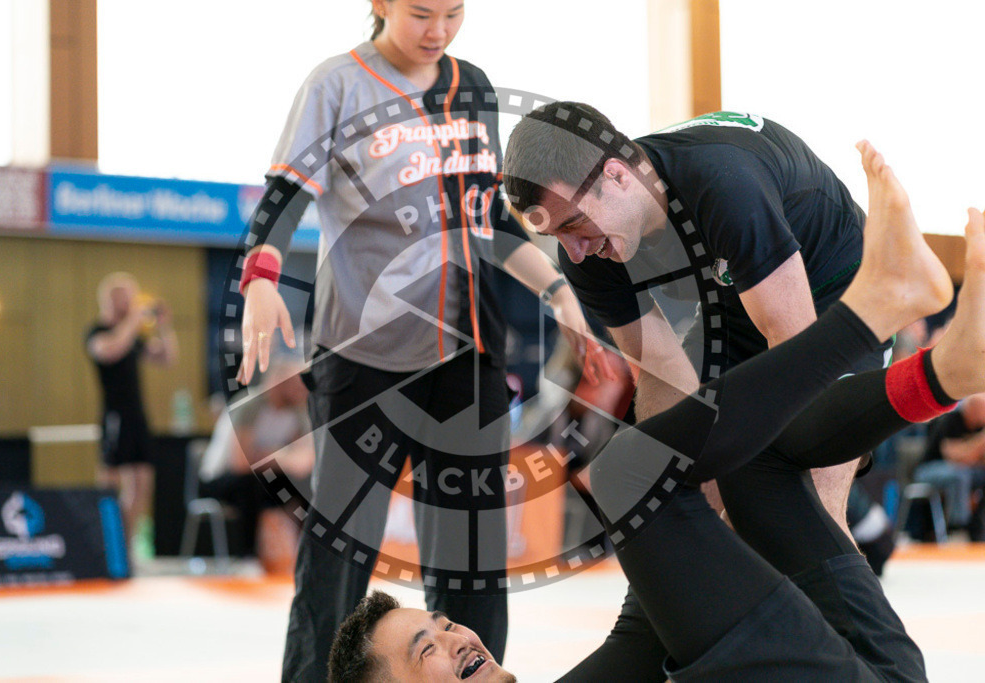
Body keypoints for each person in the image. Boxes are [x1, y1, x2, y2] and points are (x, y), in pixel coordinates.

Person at [327, 142, 984, 682]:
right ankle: (878, 316)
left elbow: (645, 623)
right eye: (427, 648)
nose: (456, 633)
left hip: (874, 664)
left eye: (441, 623)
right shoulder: (628, 237)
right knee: (626, 473)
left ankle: (945, 368)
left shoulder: (709, 188)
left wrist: (687, 511)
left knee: (726, 459)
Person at [233, 3, 613, 681]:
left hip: (470, 355)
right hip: (361, 354)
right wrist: (262, 275)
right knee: (339, 553)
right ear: (379, 4)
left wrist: (557, 291)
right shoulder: (337, 85)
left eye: (453, 12)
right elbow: (286, 193)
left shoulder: (473, 87)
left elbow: (488, 215)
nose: (437, 30)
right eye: (419, 13)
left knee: (472, 558)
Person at [502, 103, 912, 678]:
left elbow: (796, 359)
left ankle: (879, 670)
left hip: (830, 296)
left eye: (572, 227)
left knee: (803, 501)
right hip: (735, 310)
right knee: (681, 505)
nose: (572, 253)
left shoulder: (724, 184)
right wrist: (678, 500)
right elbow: (663, 373)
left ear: (617, 175)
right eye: (553, 236)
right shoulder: (590, 248)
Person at [86, 272, 178, 558]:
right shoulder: (98, 332)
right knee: (110, 484)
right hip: (115, 416)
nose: (129, 303)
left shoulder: (134, 336)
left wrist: (163, 327)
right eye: (124, 297)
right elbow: (110, 350)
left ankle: (126, 546)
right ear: (110, 300)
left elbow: (167, 359)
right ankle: (104, 545)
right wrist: (134, 320)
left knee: (142, 483)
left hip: (137, 417)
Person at [199, 355, 315, 558]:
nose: (303, 390)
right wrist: (281, 457)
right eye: (298, 384)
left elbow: (304, 461)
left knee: (306, 486)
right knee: (251, 485)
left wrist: (269, 456)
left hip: (264, 475)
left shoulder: (297, 413)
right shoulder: (250, 406)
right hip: (220, 478)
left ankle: (305, 555)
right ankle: (248, 556)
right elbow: (240, 464)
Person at [913, 392, 985, 538]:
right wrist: (980, 442)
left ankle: (977, 525)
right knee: (959, 475)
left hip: (963, 471)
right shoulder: (951, 420)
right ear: (972, 407)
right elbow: (954, 458)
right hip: (928, 470)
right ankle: (958, 529)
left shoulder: (979, 426)